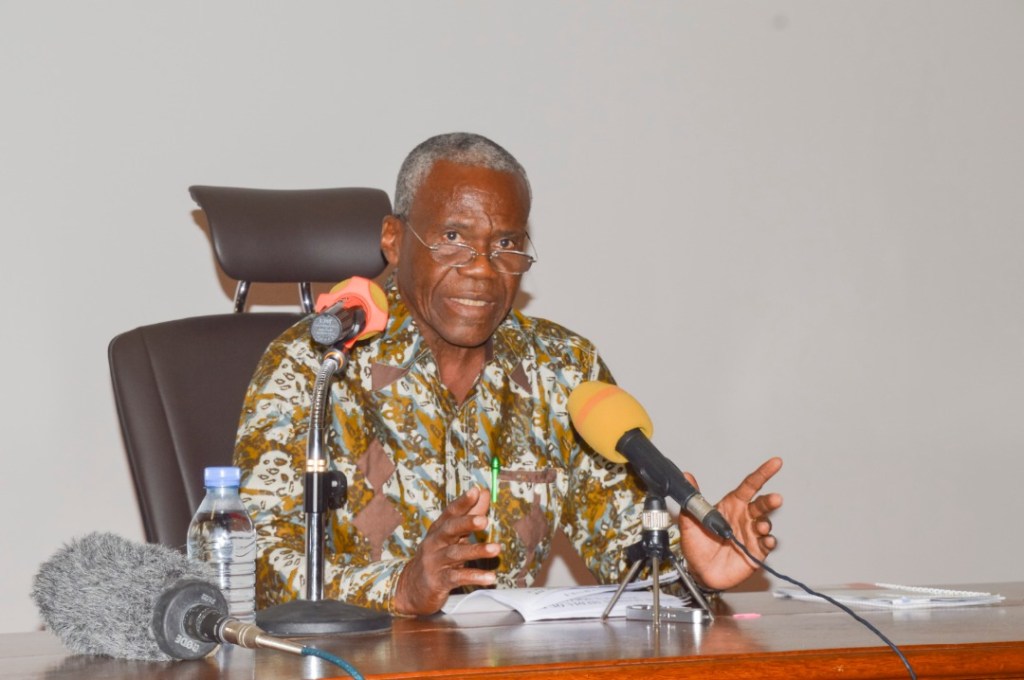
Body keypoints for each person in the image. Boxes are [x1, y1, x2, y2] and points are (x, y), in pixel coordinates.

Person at [235, 132, 783, 616]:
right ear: (394, 240)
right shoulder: (316, 364)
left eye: (506, 245)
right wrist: (401, 589)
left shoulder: (564, 370)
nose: (481, 268)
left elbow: (625, 551)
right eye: (453, 237)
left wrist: (693, 570)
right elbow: (253, 564)